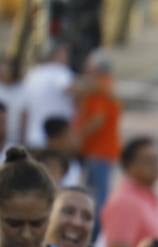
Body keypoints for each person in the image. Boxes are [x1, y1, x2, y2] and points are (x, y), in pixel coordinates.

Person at [100, 136, 158, 247]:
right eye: (148, 161)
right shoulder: (125, 202)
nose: (156, 165)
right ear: (130, 166)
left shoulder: (152, 198)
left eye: (157, 159)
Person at [74, 51, 121, 211]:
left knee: (97, 196)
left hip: (99, 151)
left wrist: (78, 137)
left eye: (89, 68)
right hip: (98, 151)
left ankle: (96, 230)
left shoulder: (100, 88)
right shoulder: (103, 87)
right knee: (91, 192)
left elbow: (97, 120)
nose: (86, 72)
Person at [18, 44, 73, 149]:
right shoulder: (61, 72)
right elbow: (69, 87)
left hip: (32, 138)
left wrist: (22, 140)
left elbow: (24, 112)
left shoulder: (32, 75)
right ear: (57, 54)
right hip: (55, 140)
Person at [40, 117, 84, 189]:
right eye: (69, 135)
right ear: (56, 138)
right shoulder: (36, 162)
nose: (73, 139)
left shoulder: (74, 165)